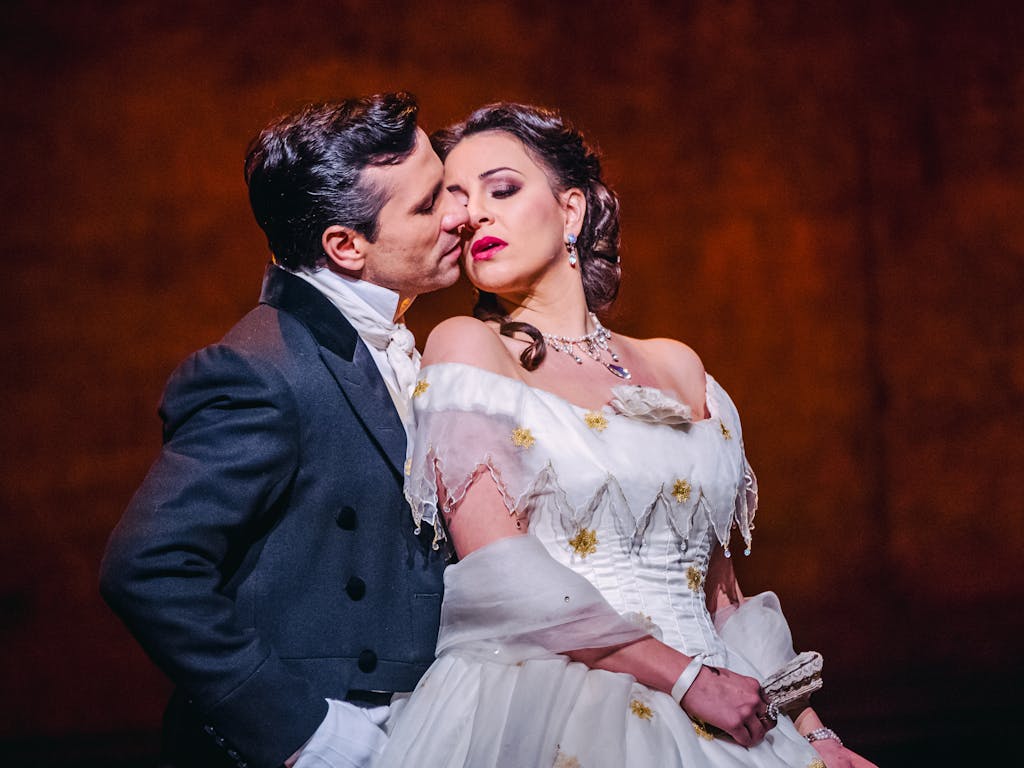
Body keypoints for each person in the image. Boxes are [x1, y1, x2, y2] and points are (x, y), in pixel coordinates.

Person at [374, 103, 878, 768]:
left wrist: (814, 733)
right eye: (456, 201)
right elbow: (502, 572)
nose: (474, 217)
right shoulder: (469, 351)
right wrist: (686, 678)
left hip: (725, 700)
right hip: (559, 701)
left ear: (572, 211)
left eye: (502, 189)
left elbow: (719, 591)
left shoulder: (676, 367)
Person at [99, 92, 469, 768]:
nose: (461, 214)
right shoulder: (256, 369)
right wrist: (301, 729)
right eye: (428, 204)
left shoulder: (401, 342)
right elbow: (146, 567)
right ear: (346, 246)